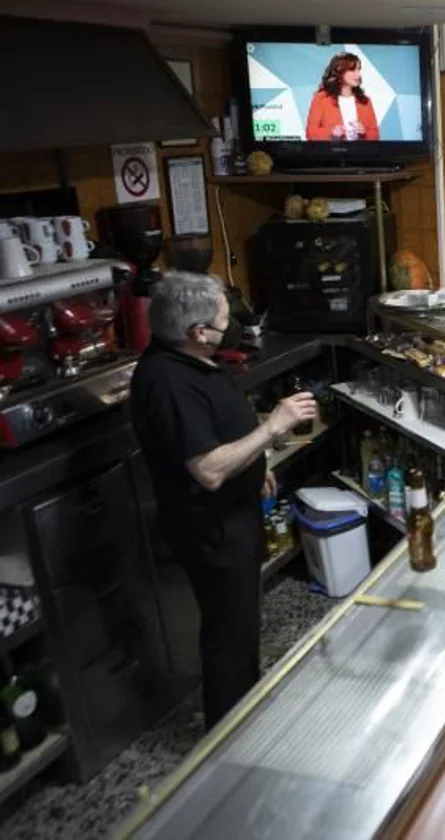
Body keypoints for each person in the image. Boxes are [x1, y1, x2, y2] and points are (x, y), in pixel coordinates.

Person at [130, 272, 318, 730]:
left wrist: (257, 467)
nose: (229, 326)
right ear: (196, 332)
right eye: (223, 321)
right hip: (209, 527)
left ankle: (244, 708)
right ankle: (230, 736)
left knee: (239, 621)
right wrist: (274, 427)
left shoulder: (191, 358)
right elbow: (208, 469)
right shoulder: (168, 381)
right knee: (228, 634)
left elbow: (220, 436)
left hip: (233, 513)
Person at [305, 52, 380, 141]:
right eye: (353, 70)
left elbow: (375, 134)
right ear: (339, 72)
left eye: (358, 69)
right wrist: (331, 132)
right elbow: (310, 133)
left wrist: (364, 132)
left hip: (359, 152)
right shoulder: (320, 99)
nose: (358, 75)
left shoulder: (365, 101)